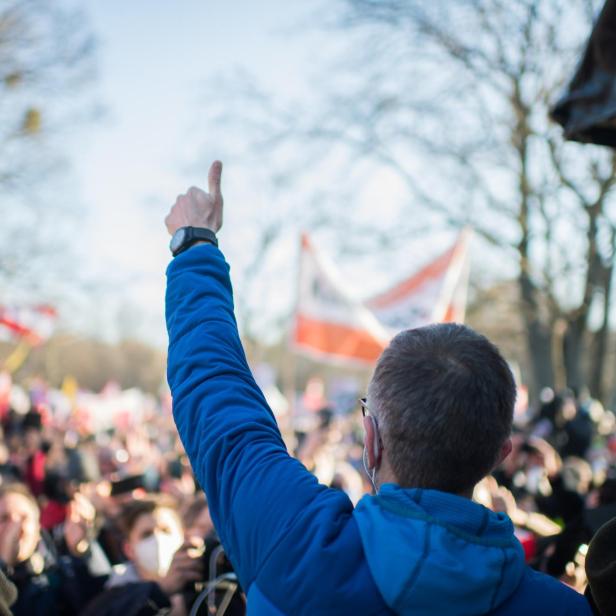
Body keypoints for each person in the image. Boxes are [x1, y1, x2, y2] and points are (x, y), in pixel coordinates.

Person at [164, 161, 592, 615]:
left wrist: (195, 246)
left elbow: (216, 395)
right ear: (498, 456)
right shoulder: (564, 608)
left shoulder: (295, 545)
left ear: (370, 441)